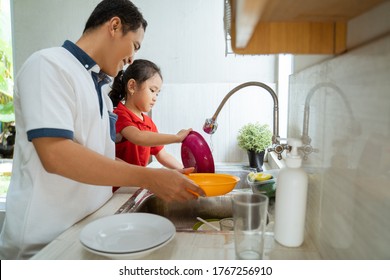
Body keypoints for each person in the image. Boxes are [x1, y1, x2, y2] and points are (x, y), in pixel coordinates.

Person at [0, 0, 204, 260]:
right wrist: (149, 178)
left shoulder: (101, 92)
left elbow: (101, 158)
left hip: (87, 232)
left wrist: (160, 178)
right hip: (42, 247)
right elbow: (57, 155)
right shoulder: (49, 65)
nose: (132, 57)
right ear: (115, 25)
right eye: (134, 45)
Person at [109, 59, 190, 169]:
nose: (155, 98)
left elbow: (163, 155)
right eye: (152, 90)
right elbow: (138, 136)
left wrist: (186, 172)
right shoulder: (119, 115)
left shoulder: (148, 123)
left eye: (157, 93)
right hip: (120, 184)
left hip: (137, 183)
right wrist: (176, 138)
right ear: (132, 86)